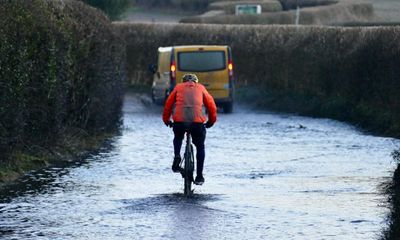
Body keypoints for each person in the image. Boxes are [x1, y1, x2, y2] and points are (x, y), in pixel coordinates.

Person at [162, 73, 217, 185]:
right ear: (196, 81)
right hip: (197, 123)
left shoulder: (178, 87)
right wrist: (211, 121)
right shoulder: (201, 88)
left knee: (178, 136)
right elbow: (211, 106)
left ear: (184, 81)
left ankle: (177, 155)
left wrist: (166, 120)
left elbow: (168, 104)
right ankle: (199, 176)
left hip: (179, 122)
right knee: (200, 146)